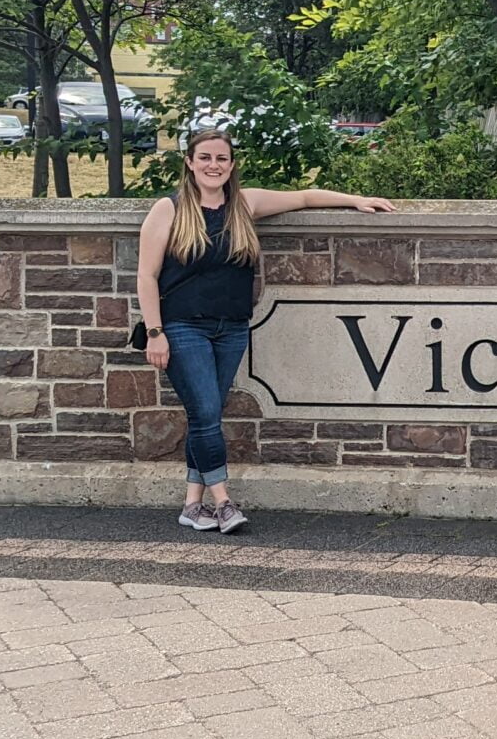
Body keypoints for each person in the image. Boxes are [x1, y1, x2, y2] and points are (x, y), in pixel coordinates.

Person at [136, 128, 395, 533]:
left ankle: (192, 504)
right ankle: (223, 502)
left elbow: (306, 197)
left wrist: (356, 201)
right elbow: (147, 276)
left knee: (206, 413)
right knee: (205, 414)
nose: (213, 165)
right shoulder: (169, 209)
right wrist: (155, 332)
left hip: (233, 327)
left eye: (221, 158)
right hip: (183, 327)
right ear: (189, 162)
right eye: (204, 157)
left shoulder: (243, 204)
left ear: (232, 164)